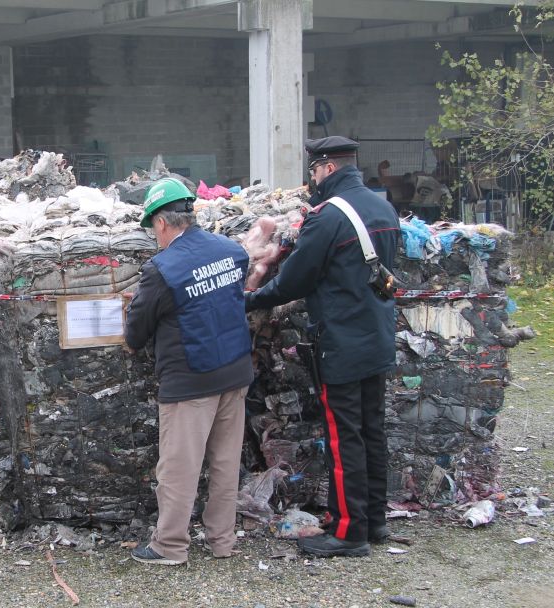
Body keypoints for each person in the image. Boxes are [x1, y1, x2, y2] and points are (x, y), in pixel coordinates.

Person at [245, 136, 401, 558]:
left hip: (342, 343)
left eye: (313, 171)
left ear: (328, 168)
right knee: (372, 429)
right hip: (377, 336)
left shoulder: (328, 217)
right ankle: (376, 521)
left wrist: (251, 297)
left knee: (343, 437)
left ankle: (350, 534)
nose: (312, 179)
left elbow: (295, 281)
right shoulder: (382, 207)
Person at [124, 177, 254, 566]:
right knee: (225, 463)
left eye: (153, 230)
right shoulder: (232, 252)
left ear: (162, 224)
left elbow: (136, 333)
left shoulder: (162, 269)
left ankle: (170, 546)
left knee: (178, 468)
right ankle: (222, 541)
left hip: (190, 381)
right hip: (235, 374)